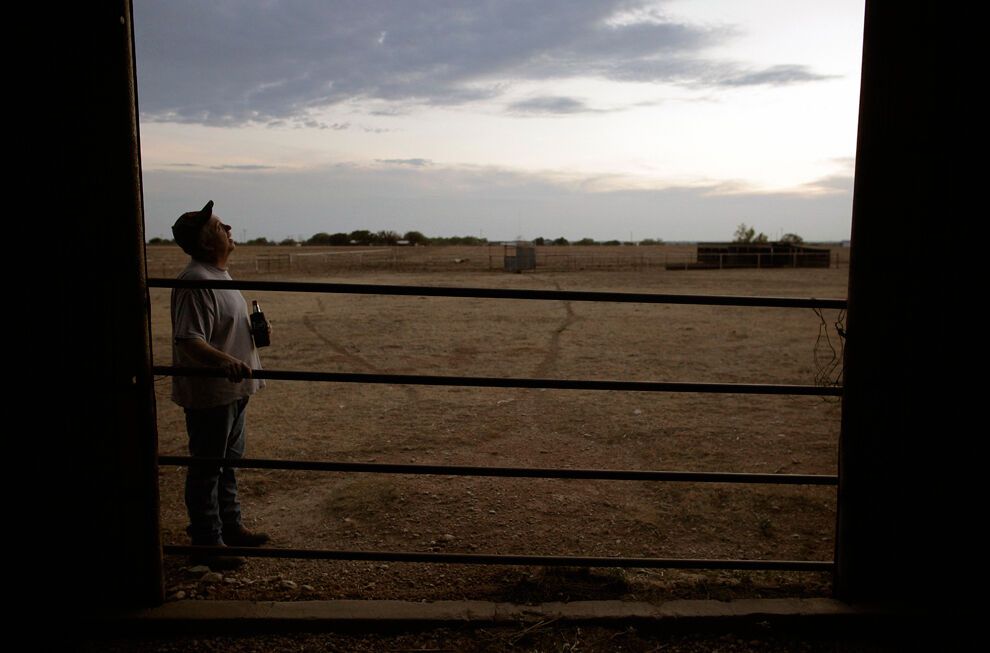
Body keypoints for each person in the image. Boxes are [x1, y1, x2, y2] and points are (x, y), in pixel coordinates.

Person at [170, 200, 270, 570]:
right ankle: (207, 542)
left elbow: (218, 329)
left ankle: (229, 527)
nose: (227, 227)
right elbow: (190, 340)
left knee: (227, 463)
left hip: (233, 388)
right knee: (208, 466)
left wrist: (254, 335)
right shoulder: (196, 280)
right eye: (217, 227)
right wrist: (226, 361)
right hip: (212, 392)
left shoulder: (217, 274)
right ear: (205, 242)